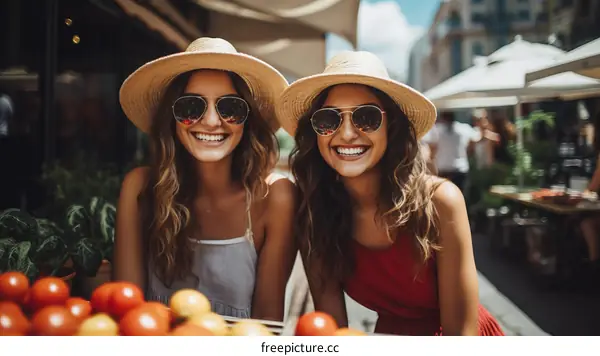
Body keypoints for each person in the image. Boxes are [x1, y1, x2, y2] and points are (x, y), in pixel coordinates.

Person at [277, 51, 504, 336]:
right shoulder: (314, 215)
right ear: (316, 134)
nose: (347, 133)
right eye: (328, 119)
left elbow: (462, 336)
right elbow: (331, 333)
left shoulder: (441, 202)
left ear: (391, 127)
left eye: (367, 117)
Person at [114, 37, 297, 322]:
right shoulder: (139, 188)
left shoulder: (275, 197)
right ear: (171, 119)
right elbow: (126, 312)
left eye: (230, 108)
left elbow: (266, 328)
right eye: (191, 107)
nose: (212, 121)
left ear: (247, 120)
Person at [421, 111, 480, 192]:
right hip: (459, 168)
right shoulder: (463, 128)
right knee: (459, 195)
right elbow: (477, 138)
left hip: (444, 169)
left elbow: (431, 147)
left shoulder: (437, 130)